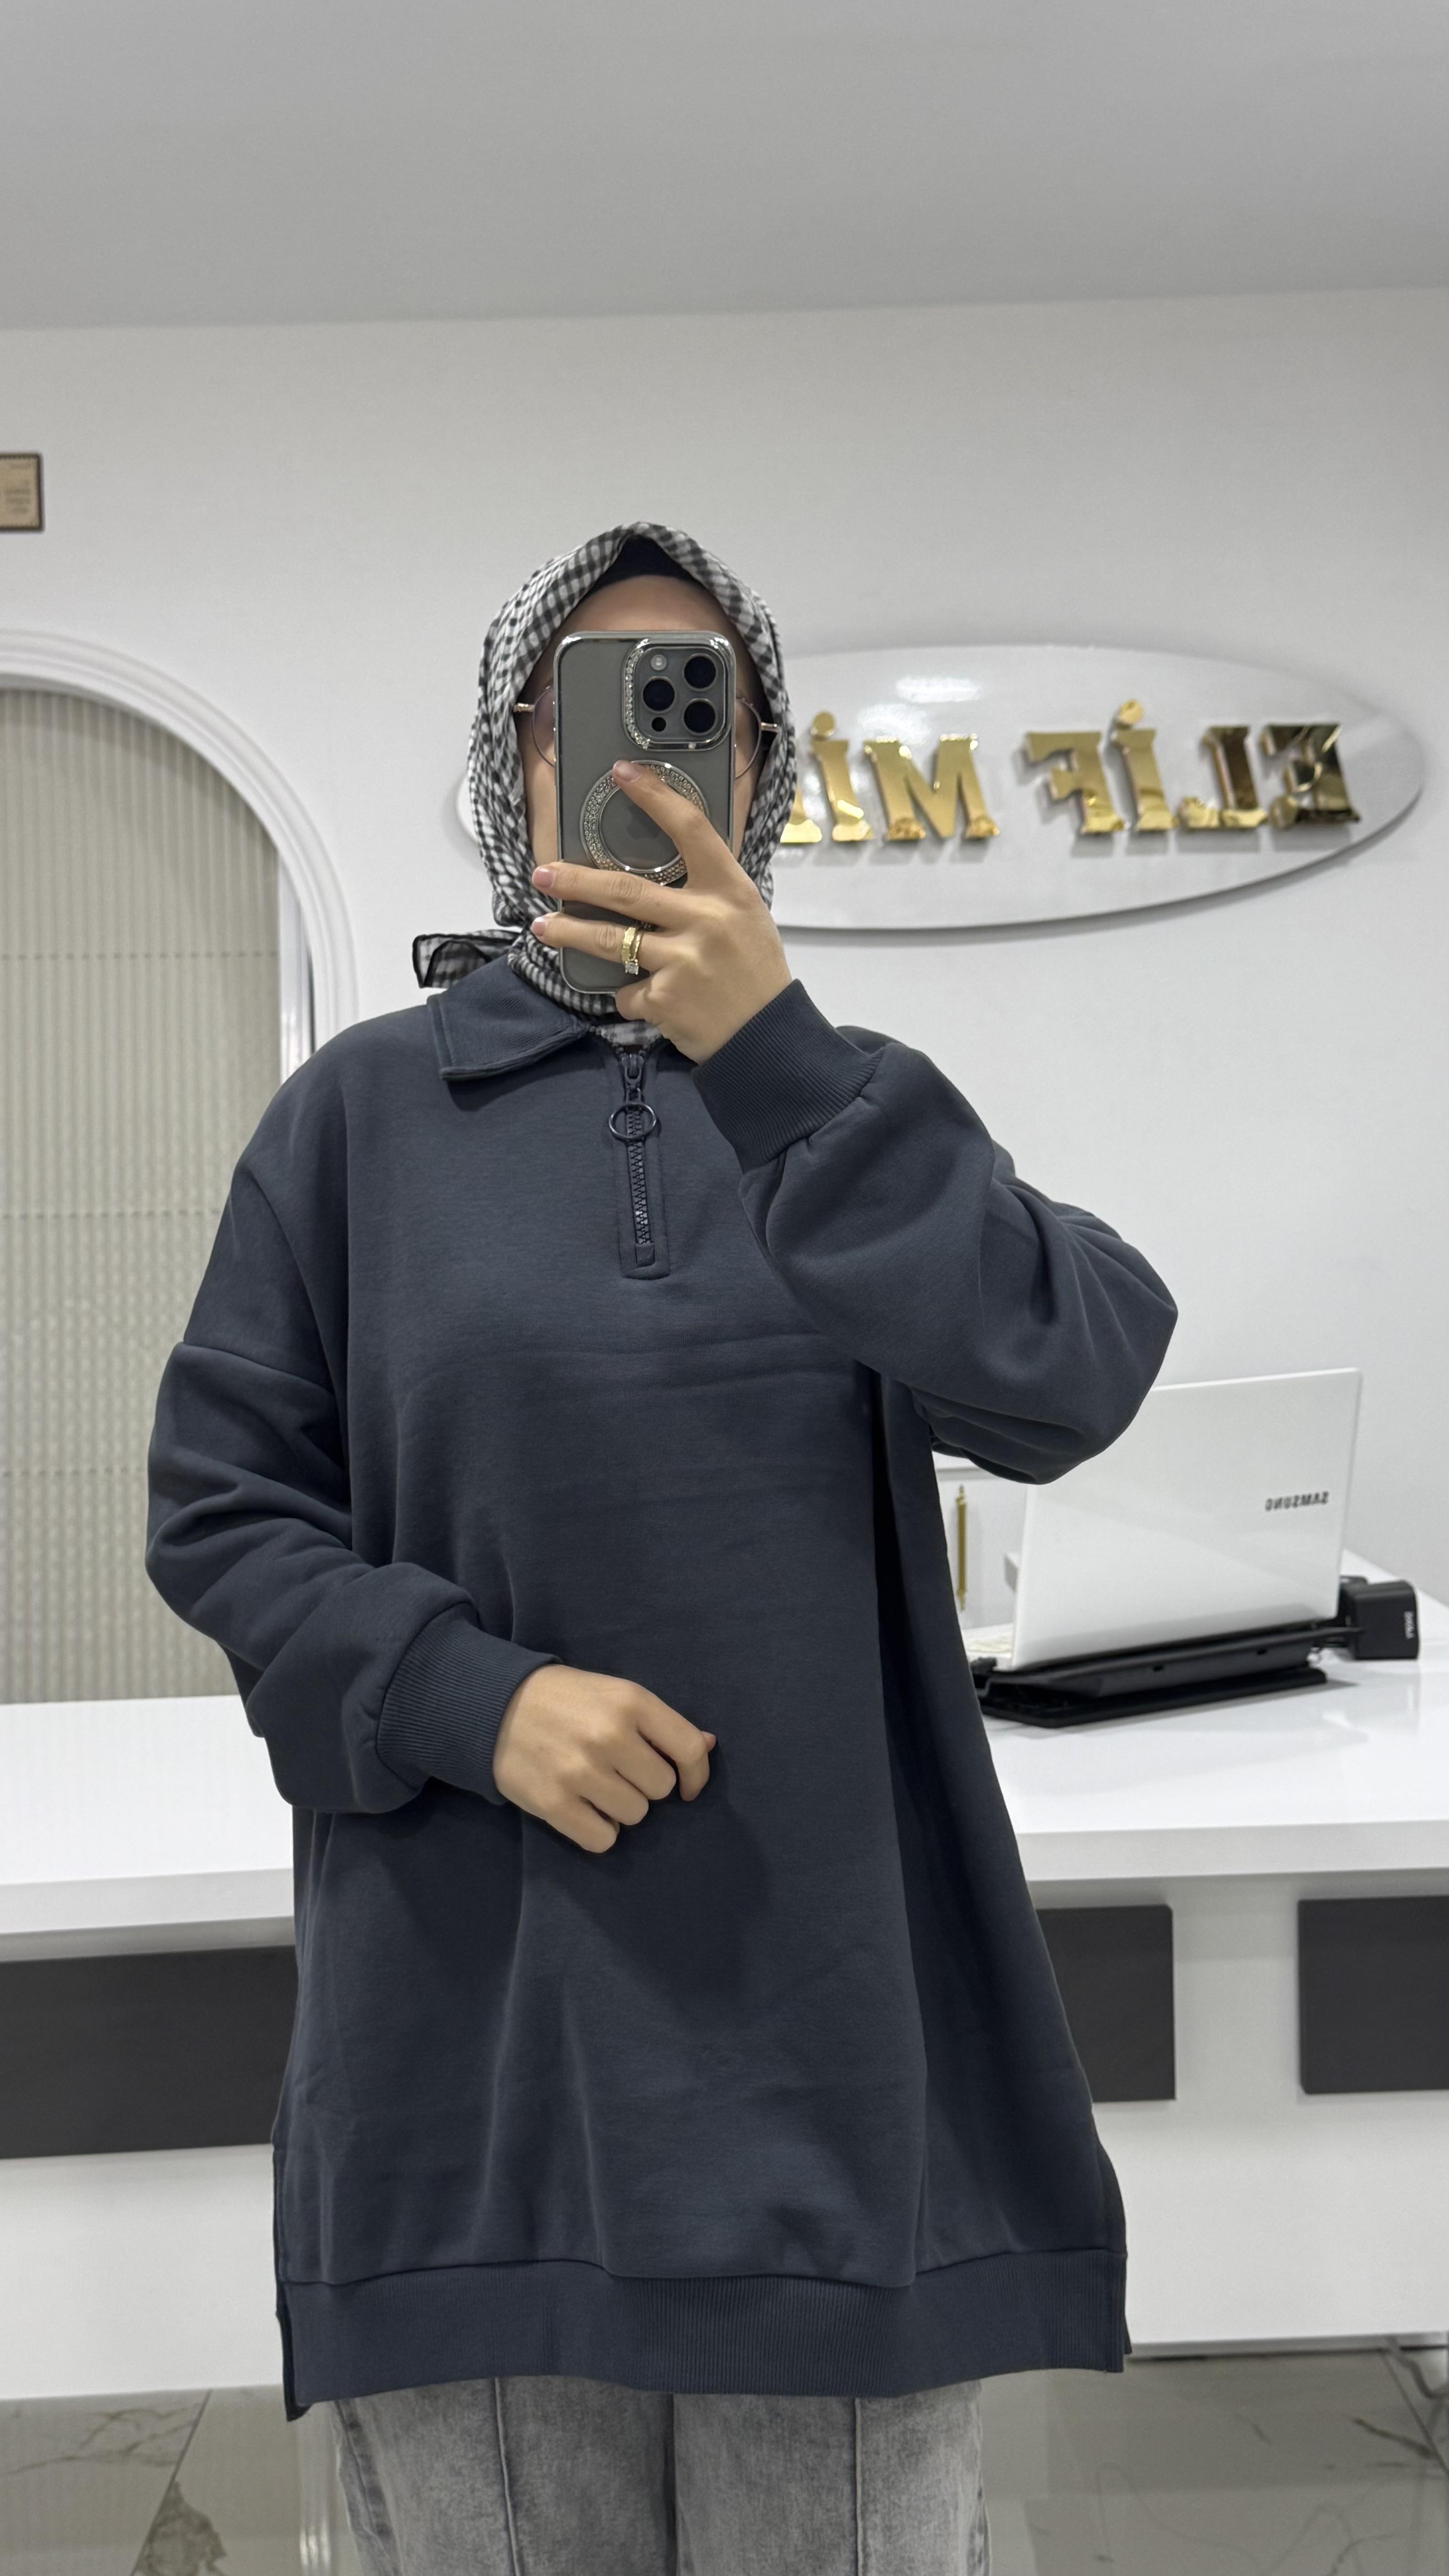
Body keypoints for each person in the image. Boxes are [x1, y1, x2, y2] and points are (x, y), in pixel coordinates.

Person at [145, 521, 1178, 2575]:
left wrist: (781, 1069)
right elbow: (222, 1506)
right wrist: (465, 1695)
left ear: (761, 778)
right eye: (588, 713)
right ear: (512, 765)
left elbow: (1080, 1368)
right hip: (472, 2078)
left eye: (698, 713)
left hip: (831, 2081)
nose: (637, 759)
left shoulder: (849, 1112)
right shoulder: (358, 1121)